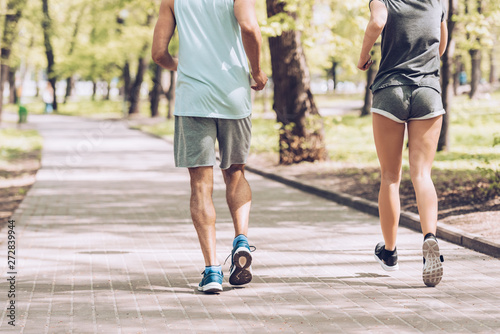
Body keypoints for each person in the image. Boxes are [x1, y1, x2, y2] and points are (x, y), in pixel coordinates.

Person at [152, 0, 267, 293]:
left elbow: (158, 53)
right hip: (234, 96)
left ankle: (212, 271)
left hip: (193, 98)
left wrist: (178, 65)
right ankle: (241, 239)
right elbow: (249, 28)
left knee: (200, 185)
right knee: (236, 172)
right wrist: (257, 71)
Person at [358, 0, 448, 287]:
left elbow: (376, 23)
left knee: (390, 177)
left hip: (390, 90)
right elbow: (441, 46)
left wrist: (363, 57)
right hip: (428, 91)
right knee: (422, 174)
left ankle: (390, 252)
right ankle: (430, 238)